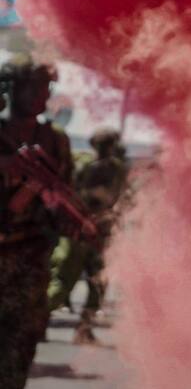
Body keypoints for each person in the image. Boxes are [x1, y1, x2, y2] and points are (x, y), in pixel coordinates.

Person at [0, 54, 73, 389]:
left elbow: (65, 200)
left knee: (18, 350)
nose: (39, 96)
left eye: (45, 88)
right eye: (31, 86)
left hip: (29, 258)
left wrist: (70, 219)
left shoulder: (53, 142)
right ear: (9, 88)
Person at [47, 127, 129, 343]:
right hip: (79, 231)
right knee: (63, 281)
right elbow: (69, 193)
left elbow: (120, 196)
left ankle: (84, 329)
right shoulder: (84, 165)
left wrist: (109, 216)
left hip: (99, 232)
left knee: (97, 283)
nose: (105, 149)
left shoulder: (115, 168)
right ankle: (36, 321)